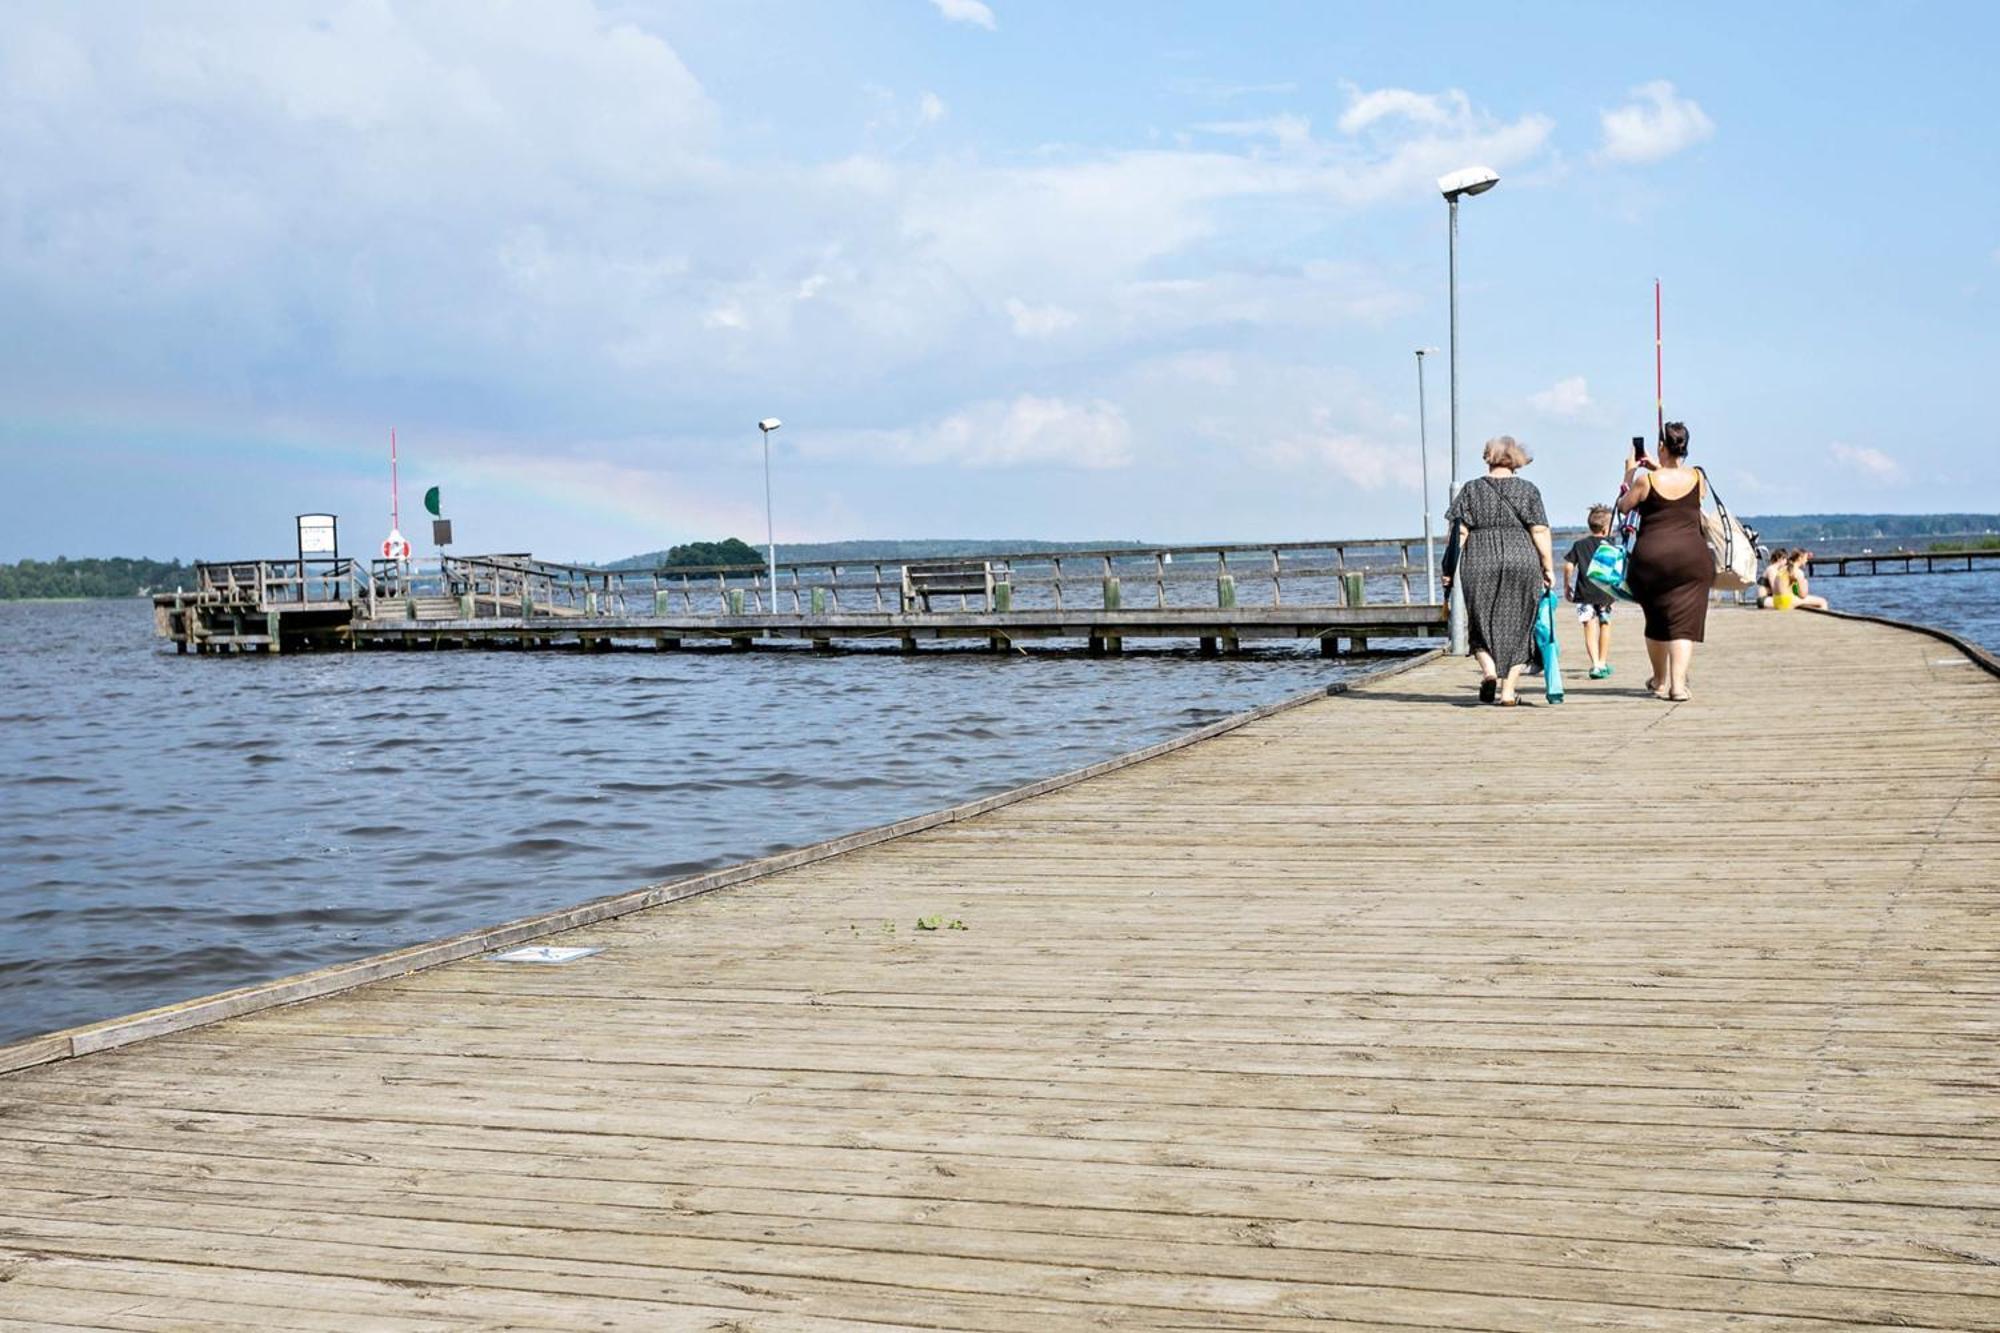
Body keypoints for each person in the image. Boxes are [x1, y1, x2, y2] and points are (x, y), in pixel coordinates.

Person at [1442, 435, 1555, 706]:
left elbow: (1458, 533)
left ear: (1487, 458)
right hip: (1521, 557)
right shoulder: (1528, 490)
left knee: (1480, 622)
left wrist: (1448, 569)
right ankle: (1508, 692)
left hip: (1480, 560)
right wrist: (1548, 567)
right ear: (1516, 460)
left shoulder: (1470, 489)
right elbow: (1539, 530)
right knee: (1521, 625)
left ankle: (1489, 671)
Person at [1617, 421, 1713, 702]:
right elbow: (1693, 494)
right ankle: (1678, 686)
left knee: (1657, 619)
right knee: (1684, 624)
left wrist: (1630, 471)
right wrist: (1659, 466)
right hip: (1691, 558)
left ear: (1661, 446)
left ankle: (1659, 681)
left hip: (1651, 559)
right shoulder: (1698, 477)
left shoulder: (1645, 481)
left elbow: (1624, 506)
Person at [1564, 505, 1618, 679]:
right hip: (1605, 592)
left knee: (1588, 625)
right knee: (1605, 624)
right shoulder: (1610, 544)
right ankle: (1602, 662)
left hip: (1584, 592)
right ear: (1605, 528)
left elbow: (1568, 565)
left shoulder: (1579, 545)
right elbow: (1616, 567)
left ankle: (1595, 664)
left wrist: (1567, 585)